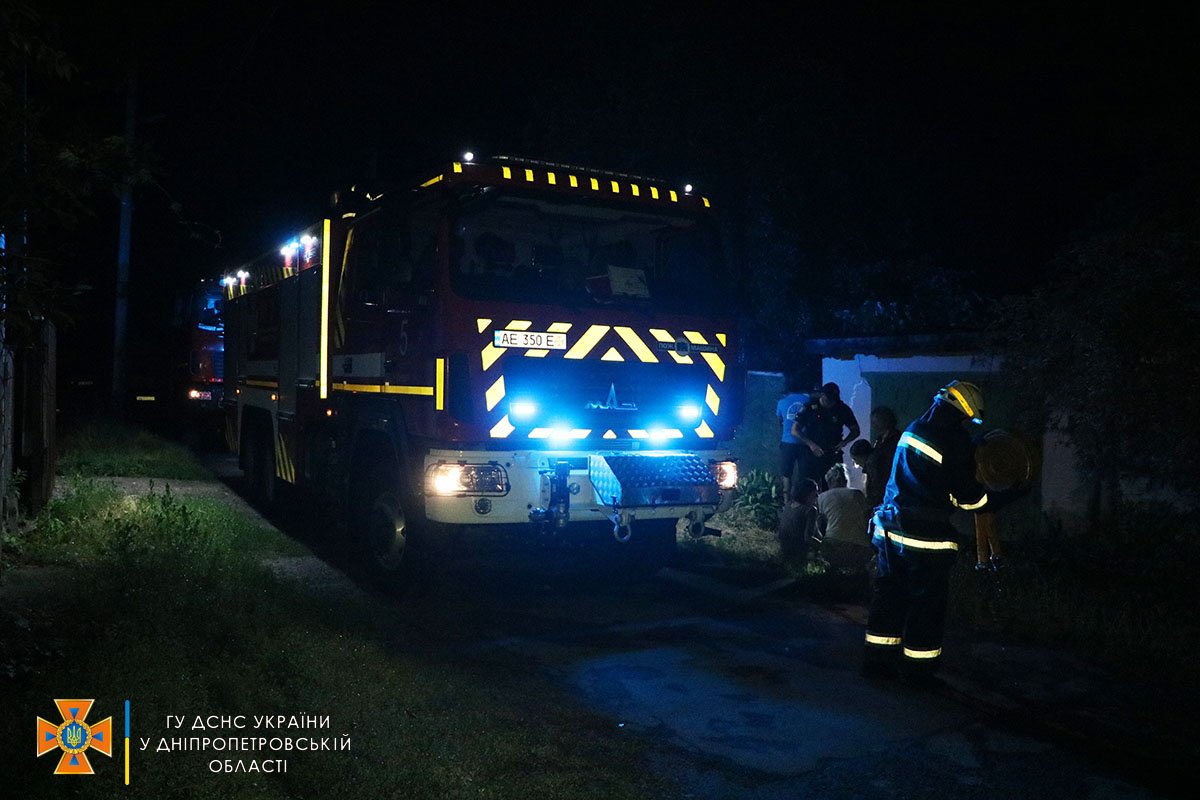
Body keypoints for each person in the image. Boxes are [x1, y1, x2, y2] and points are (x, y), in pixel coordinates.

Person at [862, 380, 989, 688]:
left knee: (888, 598)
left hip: (891, 529)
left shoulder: (914, 428)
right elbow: (968, 498)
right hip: (926, 540)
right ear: (962, 412)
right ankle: (918, 674)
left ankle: (878, 664)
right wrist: (994, 497)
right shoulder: (954, 440)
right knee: (926, 606)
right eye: (966, 419)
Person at [791, 382, 860, 490]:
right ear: (822, 395)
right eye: (828, 399)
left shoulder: (842, 409)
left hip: (831, 453)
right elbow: (795, 430)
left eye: (833, 400)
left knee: (833, 485)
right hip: (811, 453)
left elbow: (855, 430)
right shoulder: (809, 407)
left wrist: (844, 442)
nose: (830, 403)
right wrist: (811, 444)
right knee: (807, 486)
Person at [817, 464, 871, 572]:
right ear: (846, 480)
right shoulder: (857, 494)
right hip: (860, 546)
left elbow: (819, 525)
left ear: (829, 481)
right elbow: (867, 518)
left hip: (833, 545)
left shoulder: (821, 498)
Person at [775, 373, 811, 500]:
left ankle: (786, 502)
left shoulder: (782, 402)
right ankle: (803, 500)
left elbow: (779, 421)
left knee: (786, 474)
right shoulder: (807, 400)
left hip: (787, 442)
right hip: (805, 442)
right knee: (804, 474)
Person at [778, 478, 820, 564]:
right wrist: (823, 546)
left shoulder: (788, 505)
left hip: (784, 550)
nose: (817, 496)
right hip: (799, 553)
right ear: (807, 494)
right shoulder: (811, 510)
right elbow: (808, 538)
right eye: (815, 493)